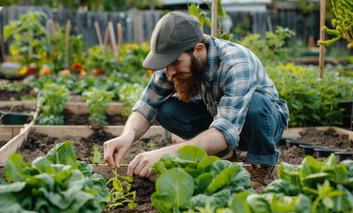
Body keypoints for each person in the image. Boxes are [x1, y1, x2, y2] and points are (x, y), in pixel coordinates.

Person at [103, 11, 289, 190]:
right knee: (166, 109)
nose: (169, 72)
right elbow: (147, 104)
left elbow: (225, 131)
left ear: (198, 50)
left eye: (175, 63)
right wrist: (127, 135)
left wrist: (165, 153)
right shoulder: (175, 60)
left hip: (263, 125)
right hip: (219, 119)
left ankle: (262, 166)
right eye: (166, 65)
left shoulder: (236, 63)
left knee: (255, 105)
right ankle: (224, 156)